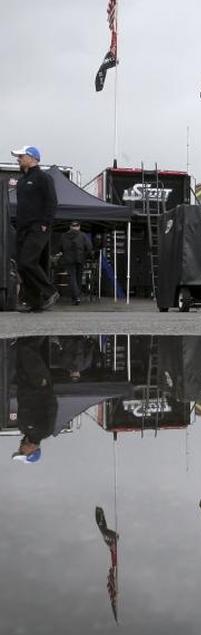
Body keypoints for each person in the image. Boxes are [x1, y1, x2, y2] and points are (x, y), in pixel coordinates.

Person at [11, 146, 58, 312]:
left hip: (37, 227)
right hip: (22, 228)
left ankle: (50, 291)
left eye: (21, 156)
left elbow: (52, 201)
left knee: (28, 261)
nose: (18, 159)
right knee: (22, 265)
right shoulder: (22, 180)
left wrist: (45, 222)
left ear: (32, 158)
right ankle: (34, 303)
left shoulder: (43, 178)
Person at [9, 337, 58, 464]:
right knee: (27, 350)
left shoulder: (22, 428)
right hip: (38, 383)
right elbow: (52, 406)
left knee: (22, 350)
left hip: (24, 383)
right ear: (32, 451)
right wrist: (44, 386)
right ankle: (42, 328)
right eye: (22, 452)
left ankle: (28, 331)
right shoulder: (45, 431)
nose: (19, 448)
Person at [58, 222, 92, 305]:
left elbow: (60, 247)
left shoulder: (64, 236)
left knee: (72, 278)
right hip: (80, 259)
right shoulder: (83, 235)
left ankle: (76, 297)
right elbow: (89, 247)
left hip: (68, 259)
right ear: (79, 227)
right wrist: (84, 255)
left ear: (70, 227)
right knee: (78, 278)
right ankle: (77, 296)